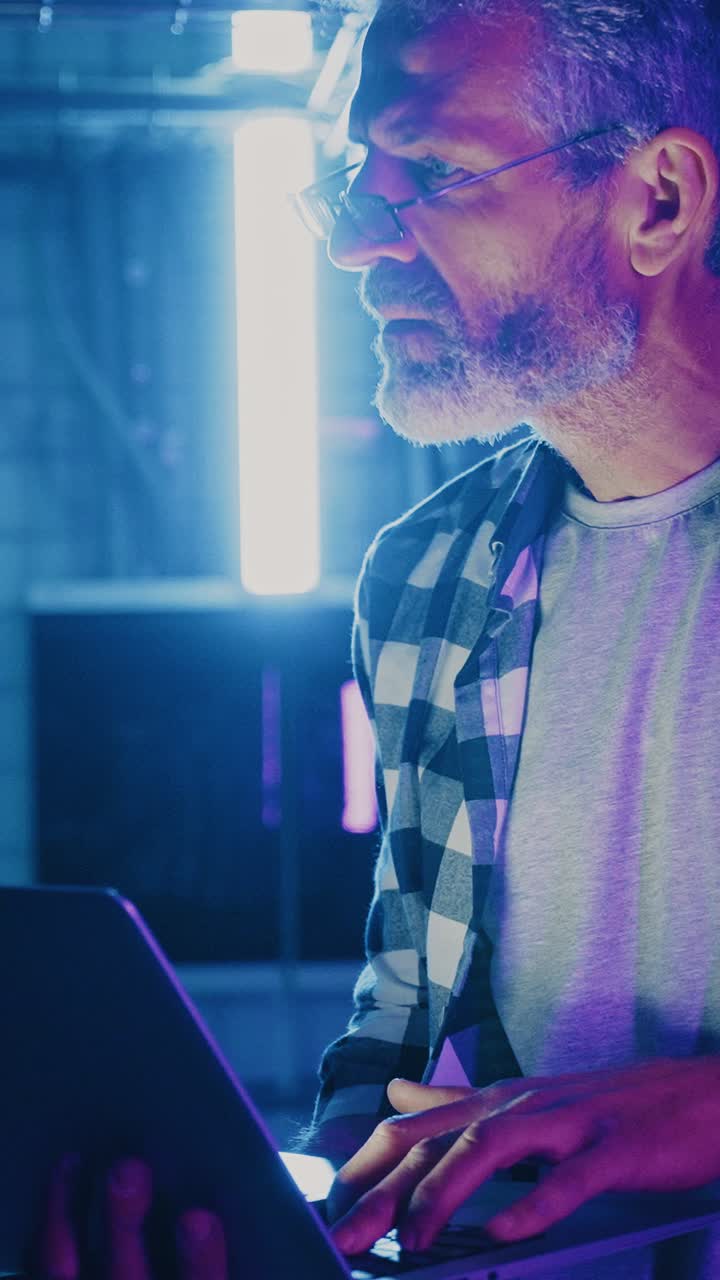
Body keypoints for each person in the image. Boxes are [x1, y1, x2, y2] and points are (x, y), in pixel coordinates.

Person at [290, 0, 720, 1276]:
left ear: (658, 201)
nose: (359, 245)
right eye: (355, 181)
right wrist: (309, 1219)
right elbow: (404, 1018)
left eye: (431, 172)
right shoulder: (424, 574)